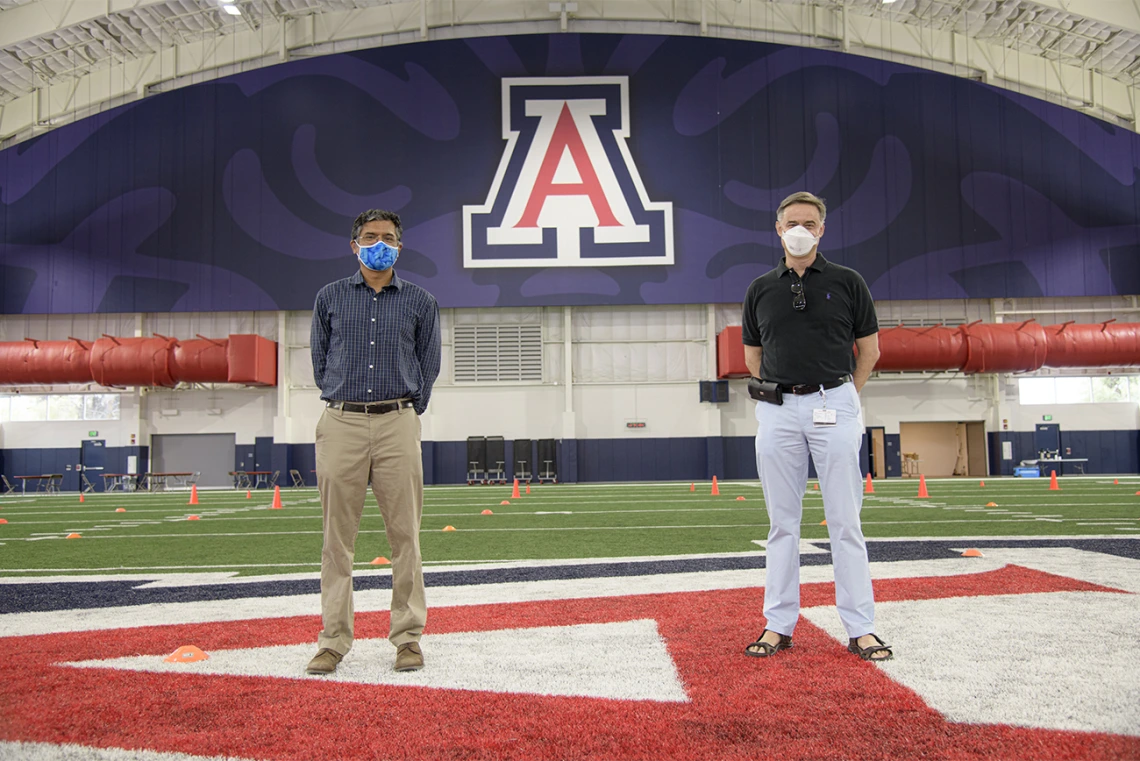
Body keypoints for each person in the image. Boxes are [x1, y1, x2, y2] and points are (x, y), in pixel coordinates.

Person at [740, 191, 892, 662]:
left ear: (822, 229)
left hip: (835, 401)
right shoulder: (761, 287)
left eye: (809, 222)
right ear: (779, 229)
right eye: (792, 222)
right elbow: (752, 355)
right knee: (781, 524)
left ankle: (861, 627)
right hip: (779, 408)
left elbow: (870, 350)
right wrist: (778, 396)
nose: (800, 229)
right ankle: (778, 624)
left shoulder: (848, 282)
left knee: (845, 522)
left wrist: (846, 396)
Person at [306, 209, 441, 675]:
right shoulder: (330, 298)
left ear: (399, 247)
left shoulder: (421, 301)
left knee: (405, 537)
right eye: (370, 236)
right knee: (335, 541)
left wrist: (406, 409)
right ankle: (333, 641)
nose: (378, 243)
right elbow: (321, 362)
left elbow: (429, 364)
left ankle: (408, 639)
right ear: (355, 245)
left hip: (397, 421)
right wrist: (344, 402)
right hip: (341, 420)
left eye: (387, 237)